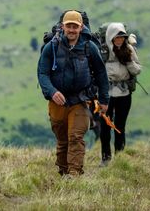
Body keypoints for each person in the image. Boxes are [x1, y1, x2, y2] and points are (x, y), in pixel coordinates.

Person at [37, 10, 109, 176]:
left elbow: (100, 74)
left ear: (81, 27)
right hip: (57, 102)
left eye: (75, 26)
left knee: (76, 137)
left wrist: (104, 100)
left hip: (81, 100)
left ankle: (74, 173)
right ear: (62, 26)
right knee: (62, 141)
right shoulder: (51, 47)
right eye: (68, 26)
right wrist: (52, 91)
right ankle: (63, 172)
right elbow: (42, 73)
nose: (71, 30)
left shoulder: (89, 47)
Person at [99, 22, 142, 166]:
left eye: (122, 37)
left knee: (120, 125)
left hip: (124, 93)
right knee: (105, 126)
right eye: (117, 37)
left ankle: (120, 156)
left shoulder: (129, 49)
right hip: (106, 94)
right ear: (110, 37)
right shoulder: (103, 51)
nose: (119, 40)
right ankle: (106, 157)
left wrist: (127, 60)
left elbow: (137, 70)